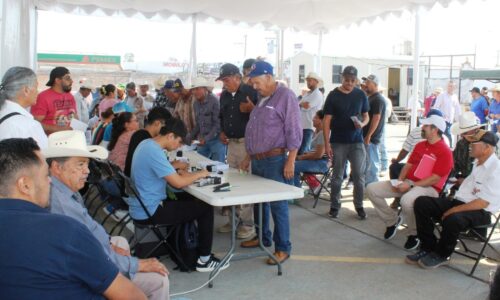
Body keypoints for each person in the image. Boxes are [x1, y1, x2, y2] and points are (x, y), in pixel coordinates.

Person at [0, 137, 145, 299]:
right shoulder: (64, 230)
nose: (50, 181)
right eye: (45, 175)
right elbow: (130, 294)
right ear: (25, 185)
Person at [43, 131, 168, 299]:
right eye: (80, 164)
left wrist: (109, 243)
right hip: (81, 273)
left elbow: (88, 227)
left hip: (86, 257)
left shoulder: (64, 190)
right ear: (57, 167)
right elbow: (89, 256)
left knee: (120, 242)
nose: (87, 171)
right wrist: (137, 264)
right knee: (159, 279)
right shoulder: (62, 205)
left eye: (87, 164)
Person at [129, 118, 229, 273]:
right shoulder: (154, 151)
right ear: (170, 136)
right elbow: (178, 183)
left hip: (142, 205)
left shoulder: (146, 144)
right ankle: (204, 259)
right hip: (150, 210)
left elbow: (163, 172)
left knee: (189, 199)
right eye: (179, 141)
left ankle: (188, 248)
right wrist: (202, 173)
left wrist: (176, 169)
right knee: (205, 208)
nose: (179, 146)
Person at [239, 61, 302, 265]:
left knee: (278, 205)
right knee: (259, 202)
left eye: (256, 82)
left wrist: (290, 161)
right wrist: (248, 156)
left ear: (268, 77)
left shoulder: (286, 96)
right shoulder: (261, 98)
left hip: (275, 160)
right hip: (257, 160)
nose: (254, 87)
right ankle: (262, 237)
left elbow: (294, 131)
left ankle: (283, 247)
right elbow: (255, 129)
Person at [407, 130, 500, 269]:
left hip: (481, 211)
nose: (470, 146)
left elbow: (482, 202)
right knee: (421, 202)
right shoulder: (478, 162)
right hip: (461, 202)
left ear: (487, 147)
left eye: (474, 143)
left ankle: (442, 254)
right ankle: (428, 247)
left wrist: (453, 210)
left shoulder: (496, 169)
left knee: (454, 218)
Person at [366, 114, 453, 250]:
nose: (422, 128)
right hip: (410, 182)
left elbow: (435, 178)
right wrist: (400, 181)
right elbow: (408, 165)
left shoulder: (445, 151)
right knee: (371, 189)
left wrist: (410, 185)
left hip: (429, 188)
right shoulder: (420, 145)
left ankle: (414, 233)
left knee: (406, 200)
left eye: (425, 126)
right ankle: (392, 221)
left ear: (435, 130)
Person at [217, 62, 258, 239]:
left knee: (246, 183)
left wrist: (252, 110)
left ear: (237, 77)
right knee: (231, 183)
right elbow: (221, 116)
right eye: (222, 81)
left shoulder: (251, 92)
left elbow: (262, 119)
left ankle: (248, 224)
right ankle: (233, 221)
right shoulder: (224, 96)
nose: (224, 83)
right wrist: (222, 131)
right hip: (231, 145)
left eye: (226, 80)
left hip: (246, 144)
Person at [323, 66, 369, 219]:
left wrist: (362, 124)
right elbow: (327, 120)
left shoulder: (361, 94)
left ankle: (359, 205)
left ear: (356, 80)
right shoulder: (333, 95)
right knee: (337, 176)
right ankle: (335, 206)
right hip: (338, 142)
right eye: (346, 80)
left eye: (352, 80)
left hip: (357, 141)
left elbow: (366, 116)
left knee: (359, 176)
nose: (349, 83)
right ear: (342, 78)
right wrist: (326, 143)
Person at [0, 66, 47, 148]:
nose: (37, 92)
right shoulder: (29, 125)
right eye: (36, 87)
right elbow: (45, 156)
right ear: (26, 90)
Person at [124, 107, 172, 177]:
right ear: (157, 123)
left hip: (130, 180)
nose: (166, 130)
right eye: (165, 126)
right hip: (135, 184)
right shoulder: (147, 141)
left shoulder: (139, 133)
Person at [189, 77, 226, 162]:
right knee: (199, 164)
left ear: (205, 89)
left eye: (197, 89)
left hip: (216, 140)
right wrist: (190, 137)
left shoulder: (215, 101)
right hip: (203, 139)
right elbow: (198, 123)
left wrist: (206, 139)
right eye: (193, 89)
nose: (194, 92)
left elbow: (217, 124)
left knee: (218, 167)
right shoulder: (196, 104)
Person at [31, 66, 76, 134]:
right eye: (67, 78)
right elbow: (34, 123)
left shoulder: (70, 96)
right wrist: (59, 129)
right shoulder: (43, 97)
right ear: (57, 80)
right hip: (50, 142)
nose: (71, 81)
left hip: (69, 139)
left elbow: (75, 116)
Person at [293, 109, 329, 190]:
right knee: (290, 163)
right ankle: (297, 189)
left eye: (315, 117)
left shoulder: (323, 133)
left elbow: (319, 155)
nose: (313, 119)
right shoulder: (317, 132)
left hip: (322, 163)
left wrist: (301, 157)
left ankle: (296, 192)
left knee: (292, 166)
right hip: (316, 161)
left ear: (322, 120)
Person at [362, 74, 386, 186]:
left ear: (375, 85)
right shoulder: (371, 98)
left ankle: (372, 188)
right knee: (367, 164)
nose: (366, 85)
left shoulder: (378, 99)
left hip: (371, 138)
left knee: (371, 165)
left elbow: (376, 118)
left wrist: (369, 135)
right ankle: (368, 187)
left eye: (368, 83)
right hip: (367, 136)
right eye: (366, 82)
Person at [298, 72, 324, 154]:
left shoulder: (317, 94)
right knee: (299, 151)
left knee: (303, 151)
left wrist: (300, 104)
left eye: (310, 80)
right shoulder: (307, 94)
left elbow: (306, 106)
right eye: (307, 81)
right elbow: (300, 105)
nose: (308, 83)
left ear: (316, 82)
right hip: (302, 126)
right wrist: (300, 104)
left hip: (309, 126)